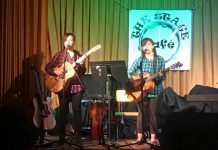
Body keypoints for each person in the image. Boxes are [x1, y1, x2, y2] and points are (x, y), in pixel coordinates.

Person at [45, 33, 86, 147]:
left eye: (71, 40)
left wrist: (81, 65)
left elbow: (83, 71)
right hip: (62, 87)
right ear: (64, 42)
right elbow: (47, 67)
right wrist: (57, 72)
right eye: (67, 40)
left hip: (77, 87)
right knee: (63, 112)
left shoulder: (79, 54)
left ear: (74, 41)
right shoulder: (59, 55)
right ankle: (61, 139)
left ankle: (78, 139)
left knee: (77, 112)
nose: (69, 42)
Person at [127, 38, 165, 145]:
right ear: (142, 48)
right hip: (142, 91)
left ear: (153, 46)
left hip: (156, 90)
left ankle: (153, 138)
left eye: (148, 44)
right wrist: (137, 81)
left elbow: (163, 77)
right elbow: (129, 72)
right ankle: (139, 137)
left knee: (153, 114)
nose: (146, 47)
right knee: (141, 114)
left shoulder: (159, 59)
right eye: (144, 45)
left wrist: (160, 76)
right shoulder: (140, 60)